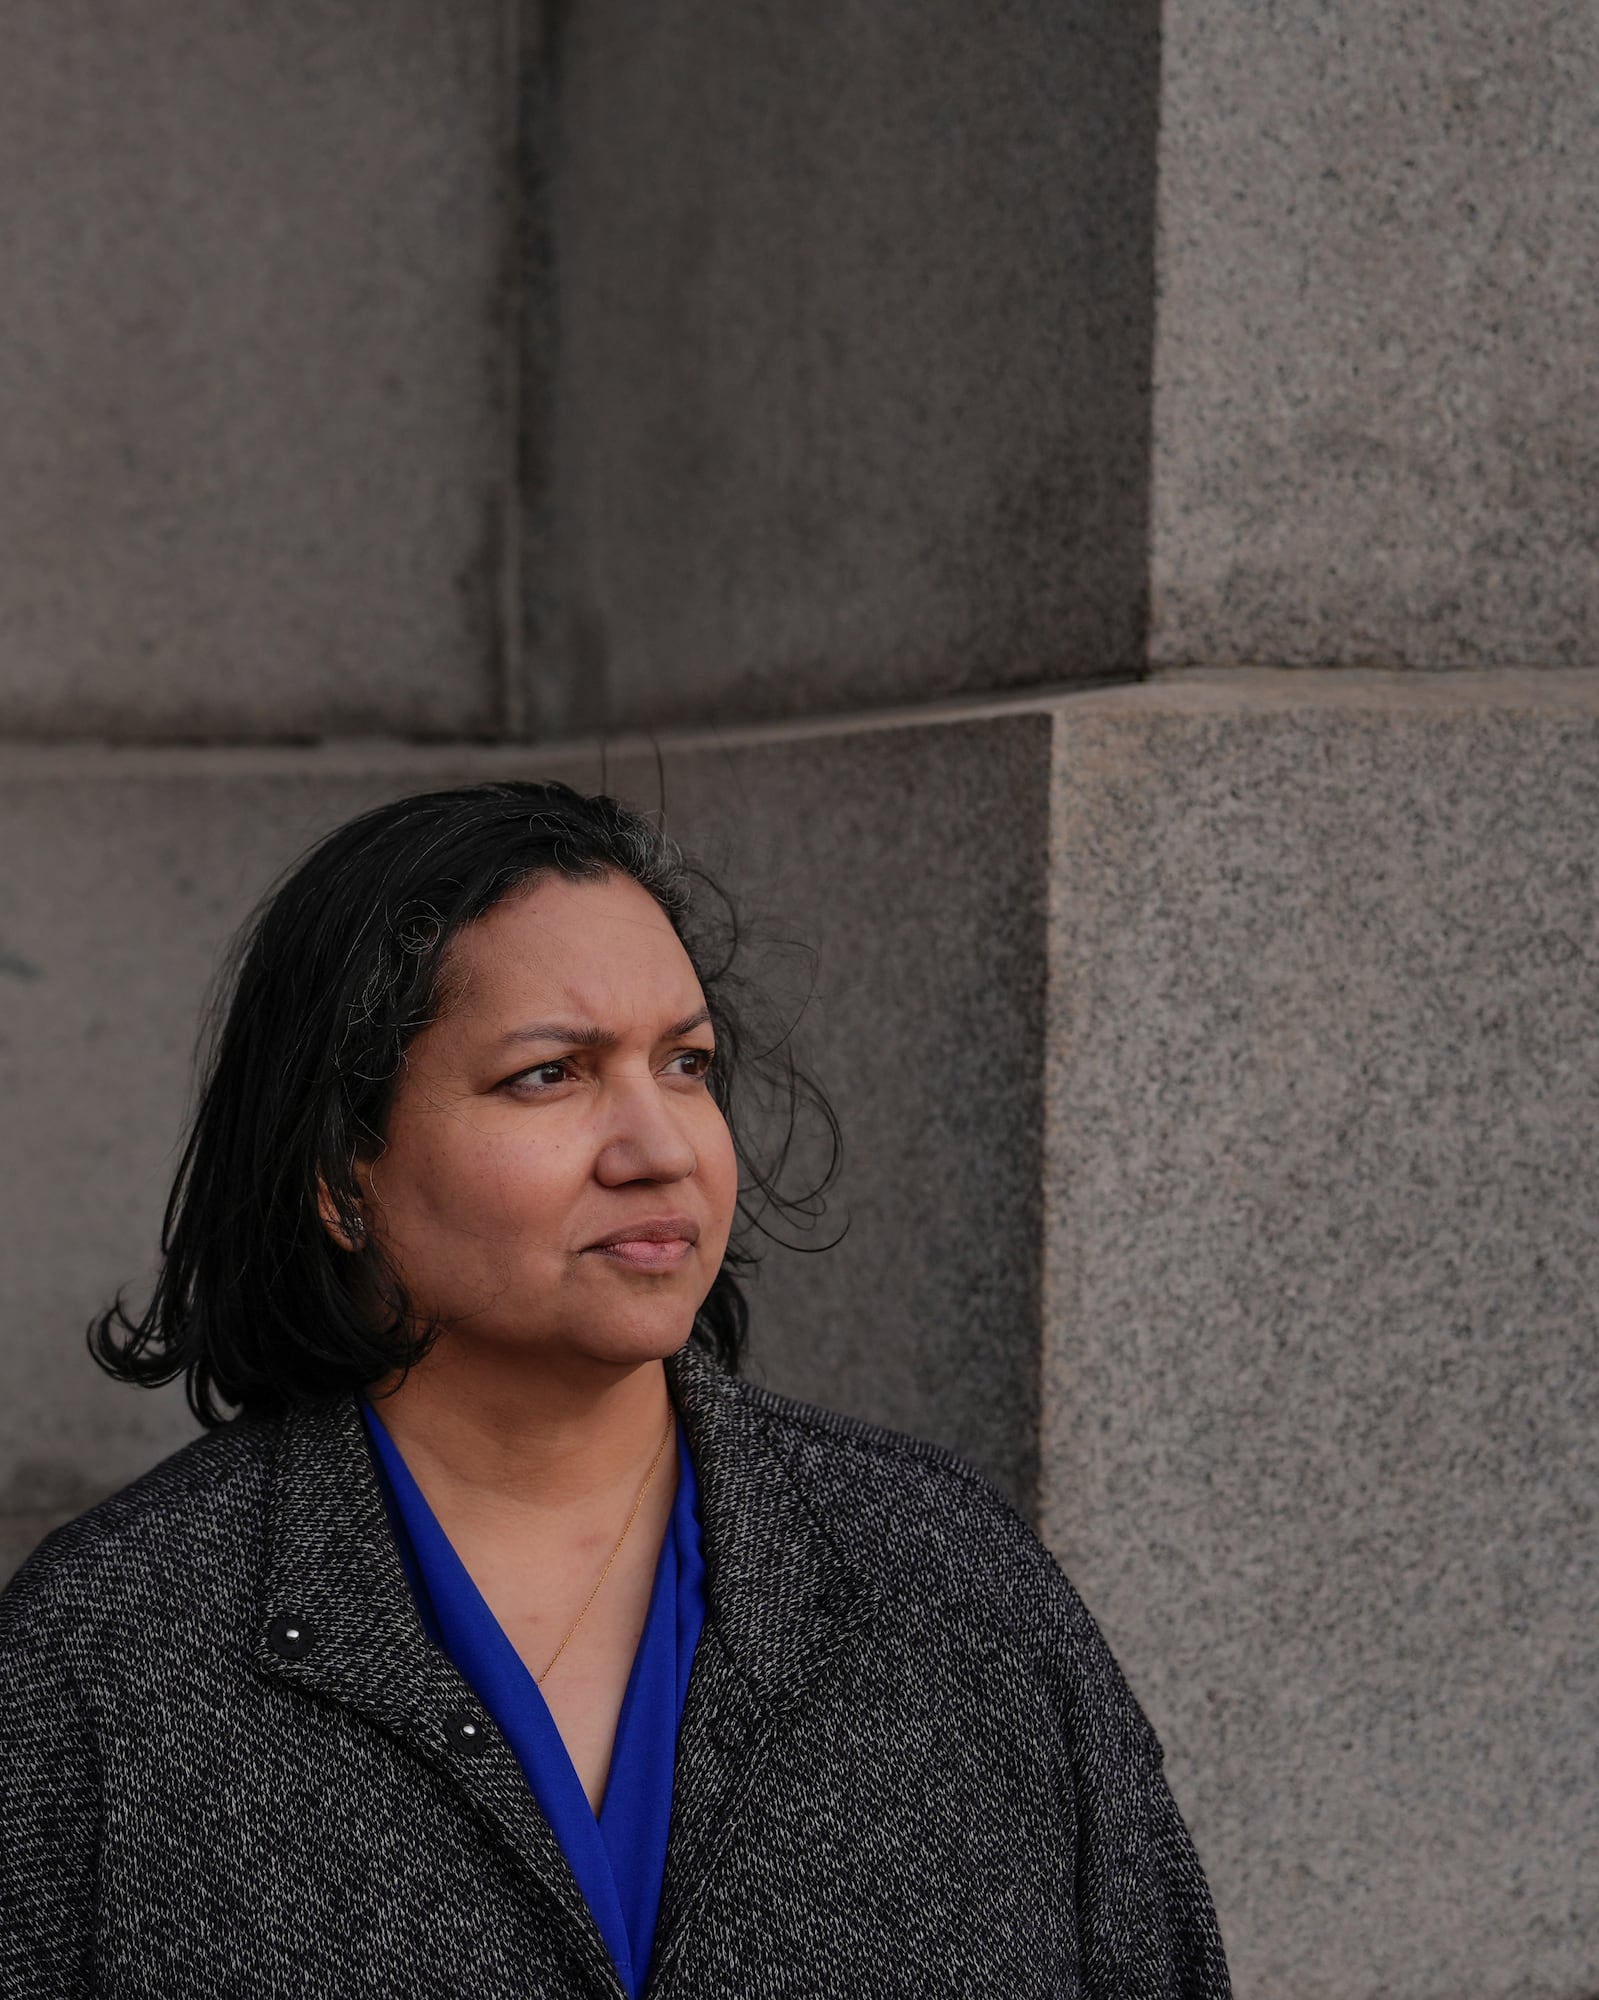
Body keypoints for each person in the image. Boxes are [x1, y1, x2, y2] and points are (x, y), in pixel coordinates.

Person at [0, 780, 1231, 1998]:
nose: (659, 1148)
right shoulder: (109, 1653)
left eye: (685, 1063)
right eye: (551, 1073)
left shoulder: (946, 1580)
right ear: (339, 1172)